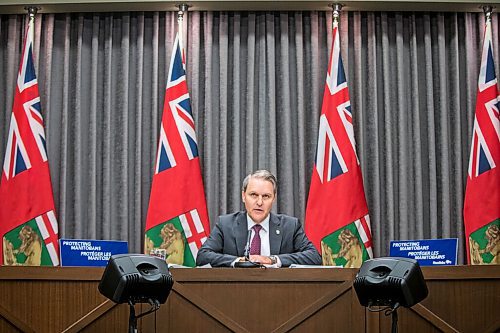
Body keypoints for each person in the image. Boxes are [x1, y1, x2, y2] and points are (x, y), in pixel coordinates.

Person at [196, 170, 322, 267]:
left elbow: (314, 257)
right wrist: (238, 261)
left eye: (266, 196)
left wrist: (272, 260)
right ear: (243, 196)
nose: (259, 202)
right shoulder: (226, 224)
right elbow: (203, 256)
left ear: (274, 198)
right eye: (254, 195)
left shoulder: (290, 226)